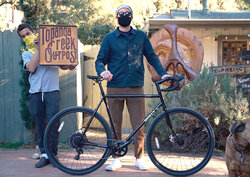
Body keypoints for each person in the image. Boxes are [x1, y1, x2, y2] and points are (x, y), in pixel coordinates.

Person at [95, 5, 169, 171]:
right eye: (120, 13)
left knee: (138, 124)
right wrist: (102, 72)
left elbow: (152, 57)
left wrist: (163, 74)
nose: (124, 15)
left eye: (127, 13)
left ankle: (139, 157)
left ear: (132, 17)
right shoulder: (109, 38)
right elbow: (99, 60)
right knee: (115, 124)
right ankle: (115, 158)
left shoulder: (141, 37)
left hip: (136, 86)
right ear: (116, 17)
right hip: (114, 87)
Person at [17, 23, 75, 168]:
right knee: (40, 124)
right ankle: (44, 154)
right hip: (35, 93)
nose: (26, 37)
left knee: (53, 123)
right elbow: (31, 67)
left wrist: (70, 65)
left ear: (33, 32)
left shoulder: (51, 47)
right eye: (23, 36)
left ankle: (53, 155)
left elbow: (62, 64)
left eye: (27, 34)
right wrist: (37, 49)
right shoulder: (26, 53)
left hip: (52, 90)